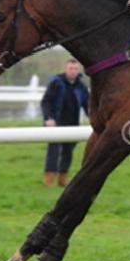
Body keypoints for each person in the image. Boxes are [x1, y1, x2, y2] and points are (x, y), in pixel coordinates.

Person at [41, 59, 90, 187]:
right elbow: (46, 102)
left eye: (75, 69)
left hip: (73, 123)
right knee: (54, 152)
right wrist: (49, 118)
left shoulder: (81, 86)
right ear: (66, 69)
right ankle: (48, 179)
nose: (73, 71)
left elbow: (87, 105)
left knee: (68, 152)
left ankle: (63, 178)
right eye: (70, 68)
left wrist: (93, 118)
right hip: (55, 123)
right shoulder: (56, 83)